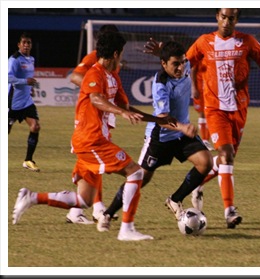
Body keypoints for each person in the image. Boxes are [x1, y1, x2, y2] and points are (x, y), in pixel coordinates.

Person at [12, 31, 176, 241]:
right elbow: (96, 99)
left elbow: (127, 107)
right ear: (116, 53)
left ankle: (31, 197)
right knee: (135, 173)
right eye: (122, 53)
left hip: (94, 141)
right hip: (91, 140)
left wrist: (158, 120)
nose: (122, 57)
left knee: (83, 200)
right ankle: (127, 229)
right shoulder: (94, 73)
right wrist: (121, 112)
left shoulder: (113, 76)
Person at [185, 8, 260, 228]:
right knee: (226, 155)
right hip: (215, 109)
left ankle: (196, 186)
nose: (227, 22)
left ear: (237, 20)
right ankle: (229, 211)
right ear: (217, 17)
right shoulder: (204, 42)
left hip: (240, 109)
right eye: (223, 17)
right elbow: (185, 62)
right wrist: (189, 84)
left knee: (227, 158)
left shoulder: (247, 41)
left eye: (231, 18)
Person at [102, 41, 213, 223]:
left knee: (205, 162)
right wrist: (184, 127)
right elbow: (162, 118)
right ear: (164, 64)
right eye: (175, 64)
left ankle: (175, 199)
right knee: (139, 178)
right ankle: (108, 212)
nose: (181, 67)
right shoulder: (160, 83)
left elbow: (179, 60)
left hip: (181, 135)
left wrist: (162, 52)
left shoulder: (184, 67)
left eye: (182, 62)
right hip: (160, 137)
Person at [65, 24, 122, 225]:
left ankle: (78, 210)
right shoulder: (94, 57)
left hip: (103, 113)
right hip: (90, 113)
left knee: (91, 162)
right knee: (95, 159)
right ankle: (97, 208)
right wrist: (95, 90)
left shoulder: (111, 64)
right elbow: (74, 76)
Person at [8, 32, 41, 172]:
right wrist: (24, 81)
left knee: (35, 126)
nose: (27, 45)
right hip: (12, 102)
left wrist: (29, 88)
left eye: (29, 43)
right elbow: (8, 77)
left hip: (26, 101)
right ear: (19, 45)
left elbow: (28, 77)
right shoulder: (14, 59)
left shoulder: (31, 59)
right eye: (24, 42)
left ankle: (28, 160)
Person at [192, 62, 214, 151]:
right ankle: (205, 141)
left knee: (209, 114)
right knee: (202, 113)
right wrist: (194, 88)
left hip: (211, 89)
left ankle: (206, 141)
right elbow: (193, 70)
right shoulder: (198, 57)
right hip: (200, 89)